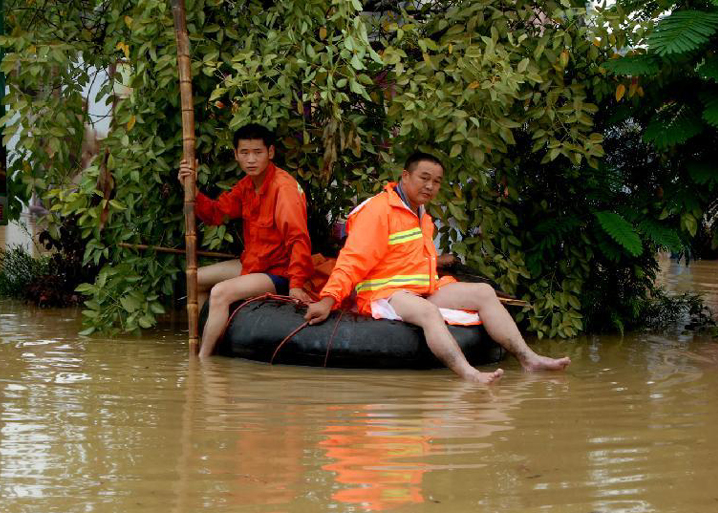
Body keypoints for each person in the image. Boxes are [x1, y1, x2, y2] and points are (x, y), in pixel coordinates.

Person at [304, 151, 571, 383]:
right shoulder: (378, 211)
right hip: (384, 293)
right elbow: (352, 260)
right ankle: (469, 374)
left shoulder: (421, 214)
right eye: (424, 178)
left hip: (421, 287)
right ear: (405, 176)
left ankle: (529, 359)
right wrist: (328, 300)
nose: (431, 186)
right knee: (429, 312)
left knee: (485, 293)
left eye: (437, 181)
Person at [178, 123, 314, 358]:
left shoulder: (284, 188)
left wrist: (296, 285)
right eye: (244, 153)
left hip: (279, 272)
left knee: (220, 292)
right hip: (253, 265)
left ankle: (202, 361)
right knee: (195, 279)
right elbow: (215, 214)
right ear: (236, 155)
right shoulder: (247, 185)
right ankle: (207, 338)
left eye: (257, 153)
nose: (251, 159)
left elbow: (298, 239)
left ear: (270, 153)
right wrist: (190, 187)